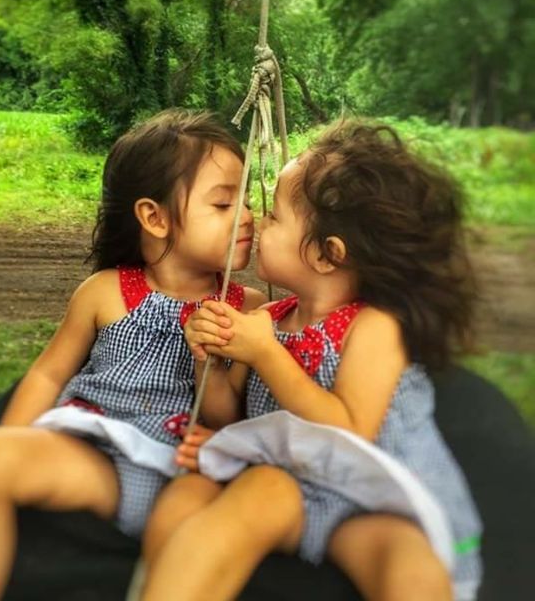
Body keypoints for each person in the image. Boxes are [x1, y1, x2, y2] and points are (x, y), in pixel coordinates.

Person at [0, 109, 269, 601]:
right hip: (96, 458)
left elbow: (233, 415)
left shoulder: (250, 310)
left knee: (199, 529)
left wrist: (211, 375)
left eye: (246, 200)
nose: (247, 215)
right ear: (154, 218)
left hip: (181, 470)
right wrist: (19, 434)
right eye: (223, 204)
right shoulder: (105, 292)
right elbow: (48, 376)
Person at [142, 119, 483, 601]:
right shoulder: (266, 319)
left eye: (274, 217)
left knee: (409, 562)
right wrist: (208, 360)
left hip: (372, 496)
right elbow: (225, 413)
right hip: (289, 488)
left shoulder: (372, 327)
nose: (257, 223)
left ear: (327, 255)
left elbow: (349, 432)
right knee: (204, 508)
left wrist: (265, 353)